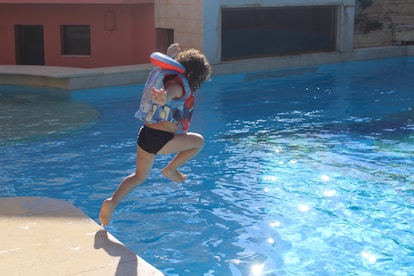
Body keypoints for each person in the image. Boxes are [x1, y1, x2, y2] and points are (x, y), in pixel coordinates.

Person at [99, 44, 211, 226]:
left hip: (145, 134)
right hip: (161, 140)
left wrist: (170, 56)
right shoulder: (178, 86)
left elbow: (167, 89)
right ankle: (170, 169)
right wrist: (163, 98)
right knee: (198, 141)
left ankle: (112, 203)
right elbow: (170, 94)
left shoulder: (167, 78)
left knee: (139, 176)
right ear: (195, 76)